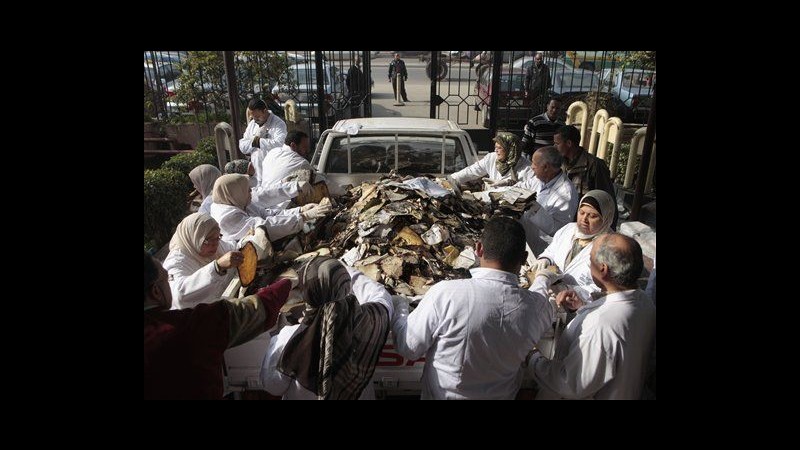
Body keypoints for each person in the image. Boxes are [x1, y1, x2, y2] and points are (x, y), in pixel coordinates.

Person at [391, 217, 553, 399]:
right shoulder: (537, 308)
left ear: (478, 249)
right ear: (524, 259)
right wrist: (542, 278)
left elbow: (409, 348)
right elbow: (541, 301)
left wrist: (400, 306)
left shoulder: (446, 294)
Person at [144, 251, 291, 400]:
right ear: (156, 292)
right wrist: (287, 283)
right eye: (166, 279)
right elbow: (252, 311)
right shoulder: (184, 326)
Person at [527, 233, 656, 400]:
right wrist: (583, 310)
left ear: (603, 269)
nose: (589, 265)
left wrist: (533, 358)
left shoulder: (602, 324)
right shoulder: (645, 302)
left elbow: (570, 383)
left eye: (590, 260)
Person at [260, 256, 393, 400]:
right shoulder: (367, 322)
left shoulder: (289, 337)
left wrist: (275, 339)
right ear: (346, 286)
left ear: (308, 293)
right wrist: (341, 271)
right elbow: (380, 296)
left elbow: (273, 386)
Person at [532, 189, 616, 303]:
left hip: (579, 304)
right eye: (581, 212)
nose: (584, 220)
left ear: (606, 218)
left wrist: (573, 290)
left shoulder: (610, 248)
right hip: (551, 293)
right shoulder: (569, 229)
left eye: (592, 216)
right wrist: (545, 259)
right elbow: (552, 250)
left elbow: (604, 289)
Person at [210, 174, 330, 244]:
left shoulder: (239, 202)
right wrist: (304, 217)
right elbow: (264, 227)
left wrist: (300, 210)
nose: (251, 191)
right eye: (246, 189)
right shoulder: (226, 216)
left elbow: (266, 214)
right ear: (235, 193)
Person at [162, 213, 243, 310]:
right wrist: (217, 267)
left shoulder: (215, 244)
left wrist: (246, 242)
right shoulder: (175, 263)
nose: (215, 244)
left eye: (218, 237)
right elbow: (179, 296)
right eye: (208, 240)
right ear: (194, 238)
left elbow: (234, 247)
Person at [517, 146, 578, 255]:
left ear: (545, 167)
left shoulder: (566, 194)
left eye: (534, 164)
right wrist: (505, 189)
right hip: (526, 238)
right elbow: (522, 186)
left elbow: (556, 229)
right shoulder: (540, 179)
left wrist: (534, 207)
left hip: (543, 249)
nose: (531, 167)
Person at [553, 125, 617, 228]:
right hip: (566, 224)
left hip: (586, 225)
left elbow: (608, 201)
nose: (554, 147)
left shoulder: (595, 166)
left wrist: (608, 232)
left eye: (557, 143)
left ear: (569, 143)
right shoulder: (560, 164)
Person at [450, 131, 532, 188]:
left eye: (500, 148)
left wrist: (509, 184)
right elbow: (472, 171)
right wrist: (452, 179)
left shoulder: (527, 168)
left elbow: (530, 188)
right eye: (495, 147)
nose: (496, 150)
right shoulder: (491, 158)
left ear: (510, 150)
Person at [238, 98, 288, 185]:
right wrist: (254, 141)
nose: (255, 120)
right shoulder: (252, 124)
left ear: (265, 111)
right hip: (256, 172)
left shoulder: (278, 124)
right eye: (253, 117)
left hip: (273, 170)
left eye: (257, 117)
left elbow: (280, 144)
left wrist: (259, 142)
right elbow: (242, 146)